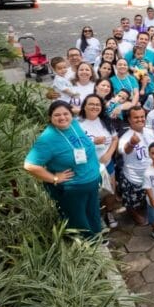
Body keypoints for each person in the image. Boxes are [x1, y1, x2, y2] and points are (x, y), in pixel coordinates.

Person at [23, 101, 101, 238]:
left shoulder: (74, 124)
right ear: (50, 118)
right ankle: (88, 250)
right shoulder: (47, 139)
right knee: (79, 222)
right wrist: (54, 178)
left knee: (93, 213)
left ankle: (98, 237)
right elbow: (29, 165)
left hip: (91, 182)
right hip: (73, 189)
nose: (62, 117)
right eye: (57, 115)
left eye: (66, 114)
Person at [78, 94, 119, 228]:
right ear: (84, 106)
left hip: (107, 164)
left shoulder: (105, 121)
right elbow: (73, 146)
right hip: (88, 166)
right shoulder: (77, 124)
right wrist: (92, 141)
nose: (95, 107)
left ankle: (109, 212)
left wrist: (108, 155)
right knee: (93, 194)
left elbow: (115, 139)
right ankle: (97, 217)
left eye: (98, 105)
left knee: (110, 190)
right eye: (91, 104)